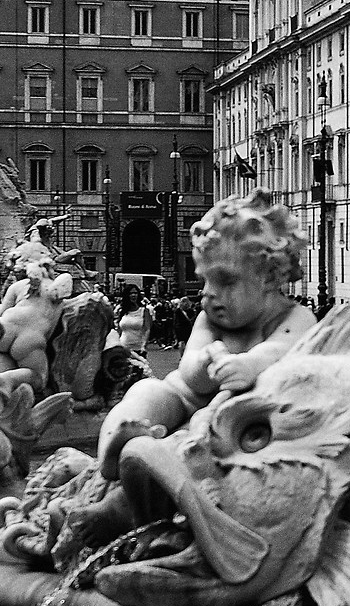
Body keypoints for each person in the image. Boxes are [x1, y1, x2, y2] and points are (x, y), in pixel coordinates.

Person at [97, 193, 316, 478]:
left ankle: (157, 457)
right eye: (205, 280)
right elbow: (190, 375)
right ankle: (116, 445)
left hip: (248, 418)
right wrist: (205, 362)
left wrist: (250, 364)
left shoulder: (295, 317)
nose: (209, 292)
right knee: (147, 391)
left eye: (225, 281)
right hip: (186, 399)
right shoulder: (209, 319)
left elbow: (281, 349)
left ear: (270, 278)